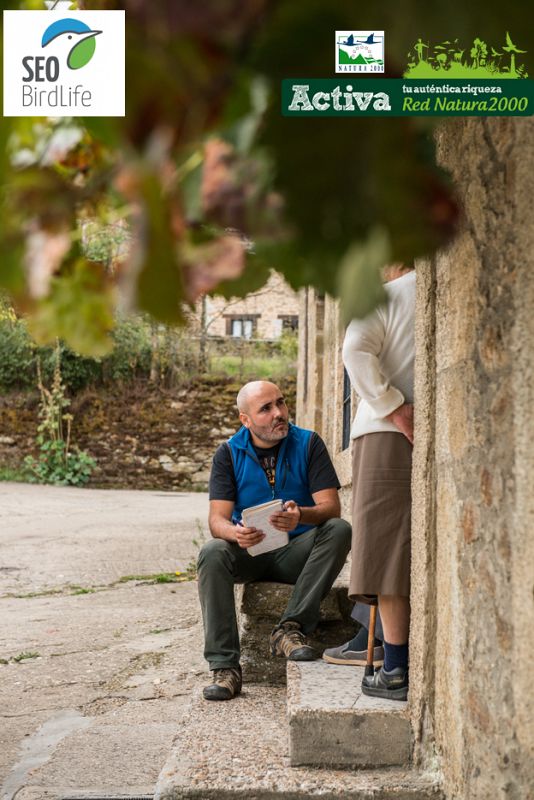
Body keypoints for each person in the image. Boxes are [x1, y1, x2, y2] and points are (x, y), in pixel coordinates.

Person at [198, 380, 352, 701]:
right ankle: (225, 667)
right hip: (250, 553)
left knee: (339, 529)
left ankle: (288, 630)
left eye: (280, 403)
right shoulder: (228, 453)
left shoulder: (308, 443)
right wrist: (235, 533)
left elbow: (330, 507)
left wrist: (301, 517)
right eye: (266, 409)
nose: (279, 413)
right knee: (213, 551)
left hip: (296, 552)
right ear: (246, 419)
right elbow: (216, 521)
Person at [340, 264, 415, 701]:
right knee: (400, 549)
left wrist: (391, 404)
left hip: (384, 432)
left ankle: (395, 668)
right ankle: (394, 658)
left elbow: (354, 351)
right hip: (407, 430)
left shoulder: (389, 293)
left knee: (385, 552)